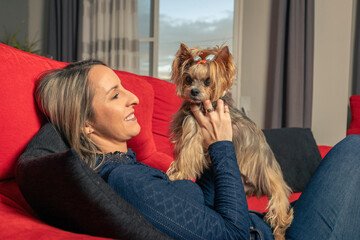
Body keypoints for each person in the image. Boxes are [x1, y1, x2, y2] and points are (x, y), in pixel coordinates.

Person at [35, 60, 360, 240]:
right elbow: (232, 235)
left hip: (267, 225)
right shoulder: (125, 180)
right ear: (85, 126)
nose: (133, 98)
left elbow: (208, 213)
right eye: (115, 95)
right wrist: (221, 147)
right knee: (354, 149)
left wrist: (209, 144)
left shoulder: (127, 166)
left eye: (124, 87)